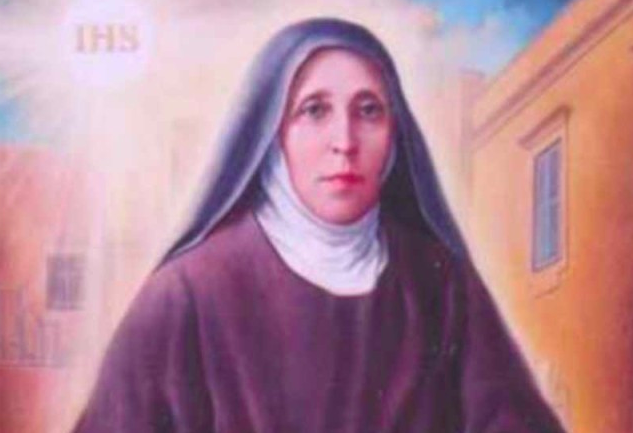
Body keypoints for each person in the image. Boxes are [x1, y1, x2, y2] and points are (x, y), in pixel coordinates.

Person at [73, 18, 566, 433]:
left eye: (368, 111)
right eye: (314, 111)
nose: (344, 141)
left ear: (395, 133)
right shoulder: (185, 295)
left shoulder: (439, 282)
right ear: (273, 132)